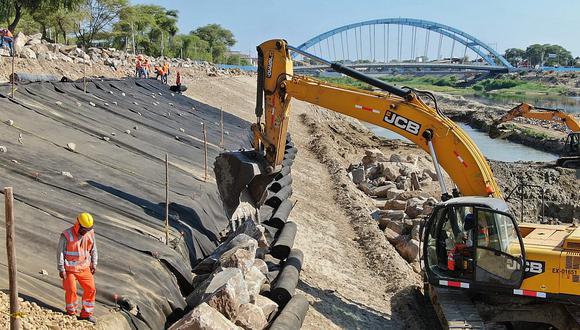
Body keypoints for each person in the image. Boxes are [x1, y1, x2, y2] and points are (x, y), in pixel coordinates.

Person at [57, 212, 98, 323]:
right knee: (71, 290)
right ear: (77, 224)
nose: (85, 232)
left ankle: (86, 314)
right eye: (84, 229)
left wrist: (94, 263)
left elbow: (93, 249)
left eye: (88, 229)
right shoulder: (66, 235)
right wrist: (61, 268)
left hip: (84, 268)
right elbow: (60, 252)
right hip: (69, 269)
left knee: (91, 289)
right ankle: (71, 313)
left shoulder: (90, 233)